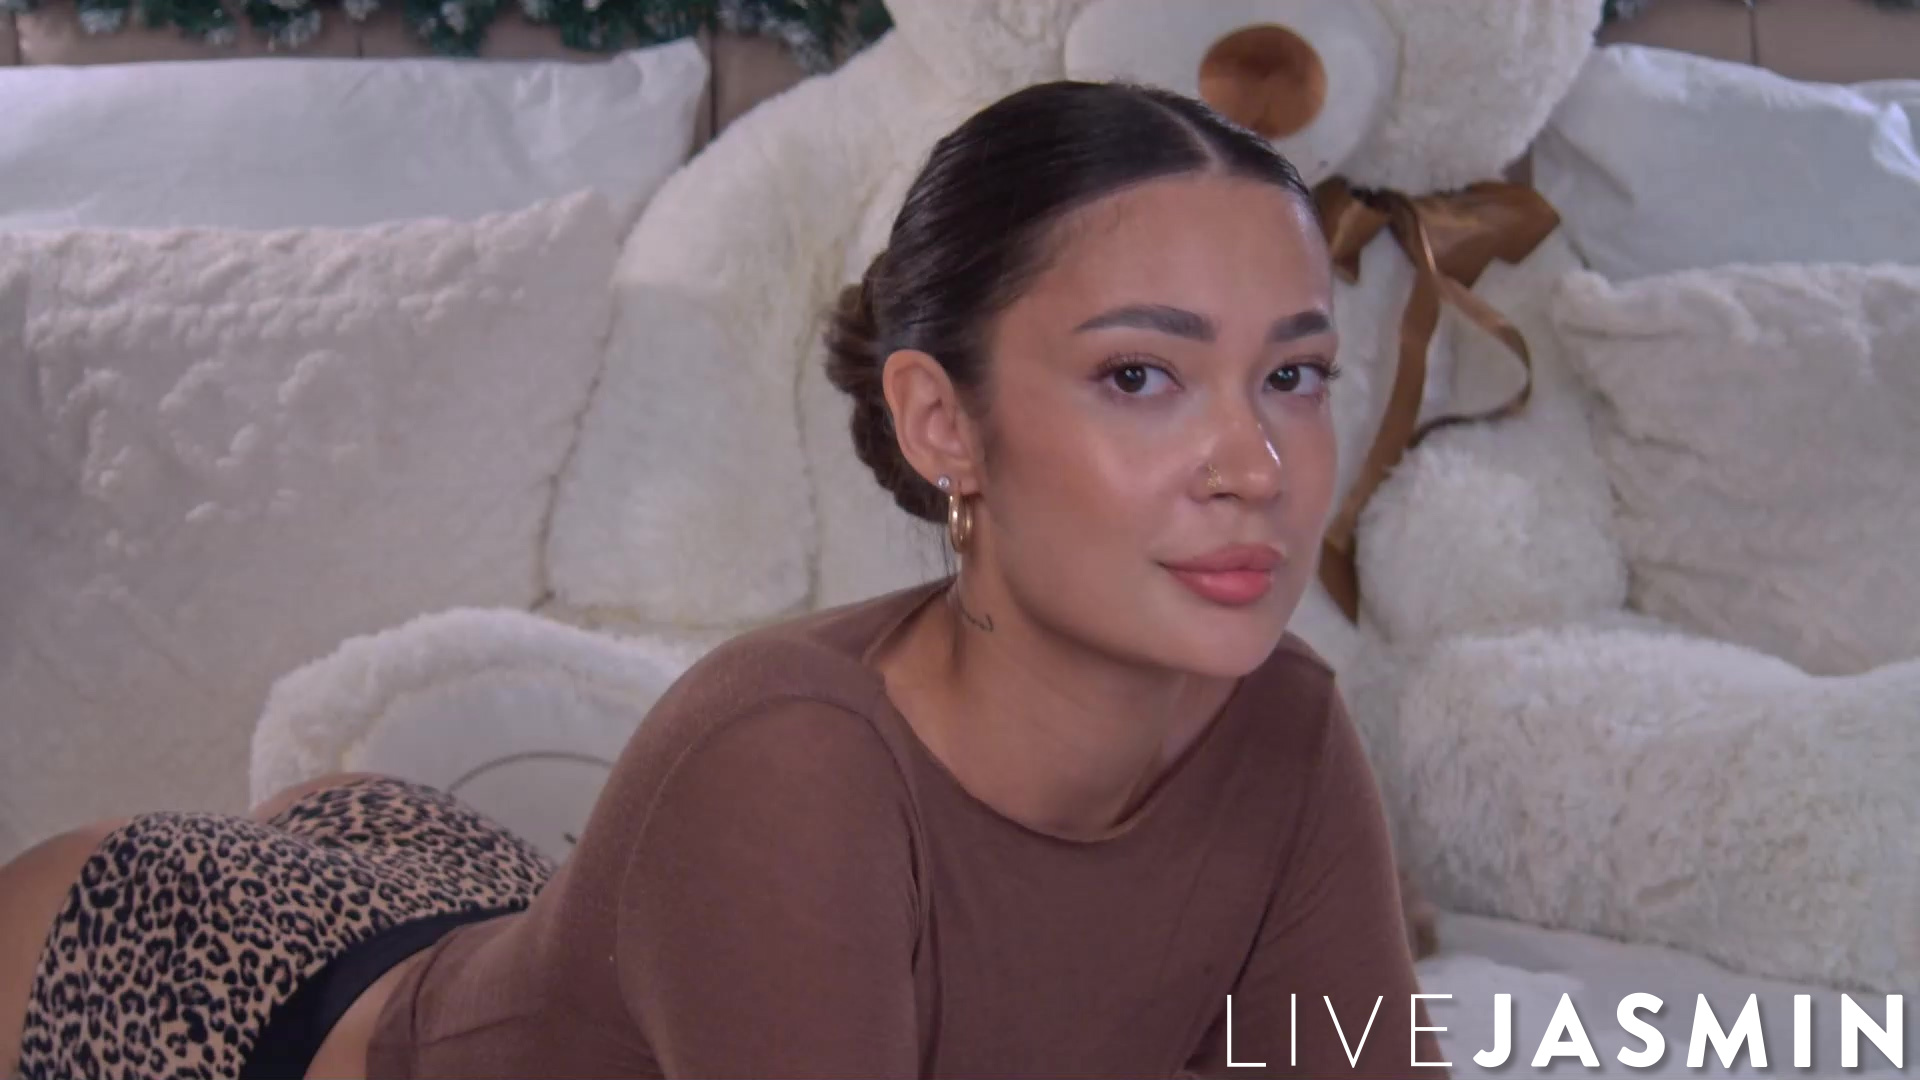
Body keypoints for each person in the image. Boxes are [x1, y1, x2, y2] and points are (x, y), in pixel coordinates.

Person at [0, 80, 1446, 1079]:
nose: (1255, 463)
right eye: (1140, 375)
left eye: (1295, 375)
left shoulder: (1282, 728)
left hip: (477, 904)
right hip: (192, 989)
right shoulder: (793, 761)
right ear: (944, 422)